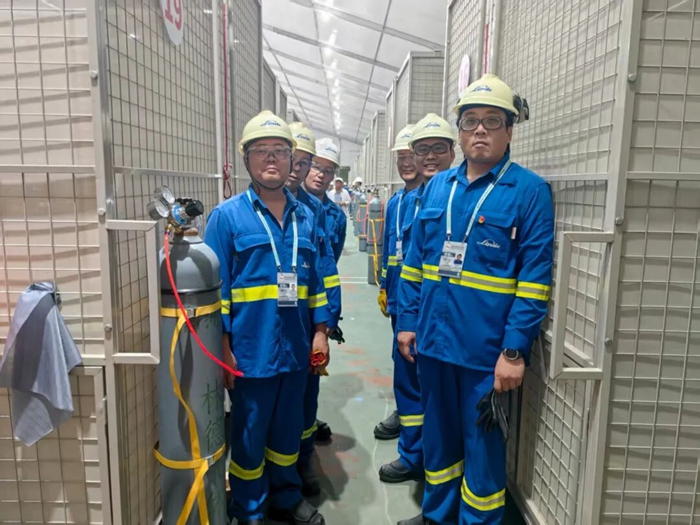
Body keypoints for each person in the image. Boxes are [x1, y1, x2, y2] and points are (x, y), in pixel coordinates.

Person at [396, 74, 554, 525]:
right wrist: (407, 321)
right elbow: (414, 263)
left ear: (510, 130)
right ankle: (437, 515)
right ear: (460, 131)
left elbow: (534, 280)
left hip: (486, 354)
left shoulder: (529, 192)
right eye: (470, 121)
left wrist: (514, 350)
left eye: (492, 121)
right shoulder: (437, 188)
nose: (480, 130)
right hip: (432, 343)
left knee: (483, 449)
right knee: (439, 439)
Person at [203, 110, 329, 525]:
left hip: (296, 346)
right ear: (246, 160)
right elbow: (218, 291)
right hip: (250, 350)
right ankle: (250, 508)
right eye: (261, 151)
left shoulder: (306, 216)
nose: (271, 158)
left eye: (279, 150)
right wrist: (223, 348)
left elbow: (316, 280)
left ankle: (286, 496)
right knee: (250, 434)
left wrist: (321, 332)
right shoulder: (227, 217)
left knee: (288, 430)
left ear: (293, 159)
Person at [375, 115, 456, 486]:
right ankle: (413, 453)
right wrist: (389, 292)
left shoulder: (454, 198)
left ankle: (431, 461)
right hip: (407, 305)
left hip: (443, 312)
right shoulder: (404, 201)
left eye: (437, 149)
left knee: (437, 393)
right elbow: (400, 255)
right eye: (415, 152)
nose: (421, 159)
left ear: (452, 152)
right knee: (408, 380)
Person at [286, 122, 343, 497]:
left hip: (310, 317)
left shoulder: (318, 213)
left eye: (323, 168)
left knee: (307, 393)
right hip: (276, 319)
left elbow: (325, 268)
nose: (312, 172)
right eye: (308, 163)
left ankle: (303, 458)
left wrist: (326, 321)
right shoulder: (239, 213)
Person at [373, 124, 424, 473]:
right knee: (402, 365)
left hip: (419, 301)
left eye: (410, 156)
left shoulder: (430, 200)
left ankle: (416, 446)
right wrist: (384, 286)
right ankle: (407, 421)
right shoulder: (396, 202)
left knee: (416, 371)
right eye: (401, 157)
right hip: (398, 299)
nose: (406, 163)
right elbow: (390, 248)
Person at [306, 140, 347, 263]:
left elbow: (334, 255)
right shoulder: (287, 206)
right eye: (316, 167)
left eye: (328, 171)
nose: (321, 175)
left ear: (333, 177)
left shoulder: (337, 216)